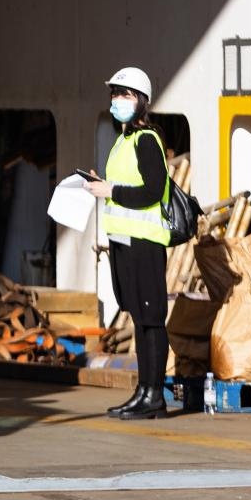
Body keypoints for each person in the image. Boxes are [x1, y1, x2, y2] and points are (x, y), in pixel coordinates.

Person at [85, 66, 171, 420]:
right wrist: (102, 185)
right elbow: (125, 187)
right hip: (124, 242)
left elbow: (152, 189)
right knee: (139, 318)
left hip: (145, 243)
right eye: (115, 94)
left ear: (142, 101)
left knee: (151, 320)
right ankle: (143, 391)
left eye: (126, 94)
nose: (118, 100)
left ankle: (154, 397)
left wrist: (112, 191)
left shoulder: (147, 139)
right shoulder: (124, 141)